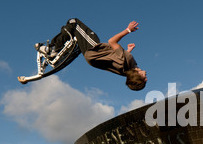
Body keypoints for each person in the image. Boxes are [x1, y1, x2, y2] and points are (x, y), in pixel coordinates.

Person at [19, 18, 147, 91]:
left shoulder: (128, 62)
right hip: (93, 59)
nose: (146, 77)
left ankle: (52, 50)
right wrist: (128, 49)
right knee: (76, 39)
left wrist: (128, 30)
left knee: (74, 22)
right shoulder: (127, 71)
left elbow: (112, 41)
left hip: (95, 50)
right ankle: (58, 52)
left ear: (137, 77)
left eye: (144, 79)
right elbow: (118, 60)